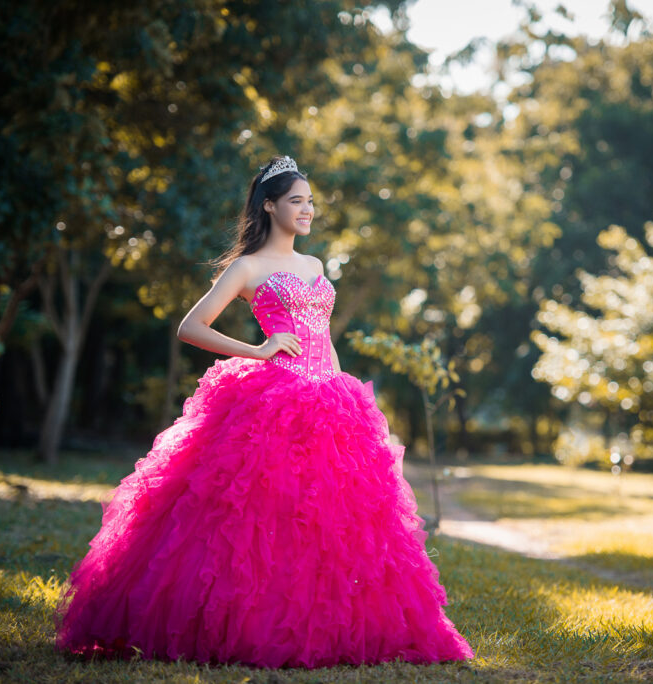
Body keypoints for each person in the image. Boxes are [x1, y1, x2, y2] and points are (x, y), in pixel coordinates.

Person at [53, 155, 474, 668]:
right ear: (270, 205)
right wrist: (256, 350)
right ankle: (248, 623)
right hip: (276, 400)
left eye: (311, 202)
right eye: (297, 201)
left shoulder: (316, 267)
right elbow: (191, 326)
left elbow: (321, 336)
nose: (307, 210)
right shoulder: (247, 267)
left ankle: (331, 625)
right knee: (257, 515)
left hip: (331, 400)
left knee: (333, 520)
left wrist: (347, 390)